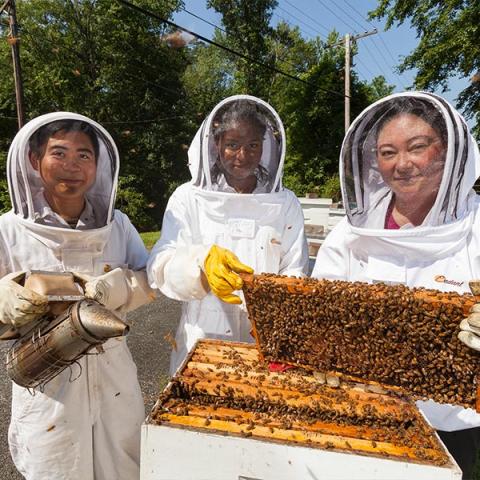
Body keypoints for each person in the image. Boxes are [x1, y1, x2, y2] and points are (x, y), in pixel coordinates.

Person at [311, 91, 480, 479]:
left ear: (447, 151)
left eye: (417, 147)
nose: (401, 164)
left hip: (452, 422)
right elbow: (323, 311)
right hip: (365, 412)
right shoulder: (352, 231)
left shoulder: (476, 226)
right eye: (388, 153)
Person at [0, 112, 156, 480]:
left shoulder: (117, 224)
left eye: (83, 155)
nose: (72, 165)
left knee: (125, 468)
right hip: (46, 379)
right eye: (59, 153)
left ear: (98, 165)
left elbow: (152, 277)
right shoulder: (8, 230)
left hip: (115, 375)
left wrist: (117, 288)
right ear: (35, 161)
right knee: (55, 470)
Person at [147, 95, 308, 374]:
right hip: (201, 339)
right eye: (232, 144)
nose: (243, 155)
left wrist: (281, 323)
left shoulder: (285, 202)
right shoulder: (188, 197)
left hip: (266, 342)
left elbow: (295, 270)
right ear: (216, 144)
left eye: (253, 145)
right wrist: (199, 264)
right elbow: (161, 264)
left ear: (265, 147)